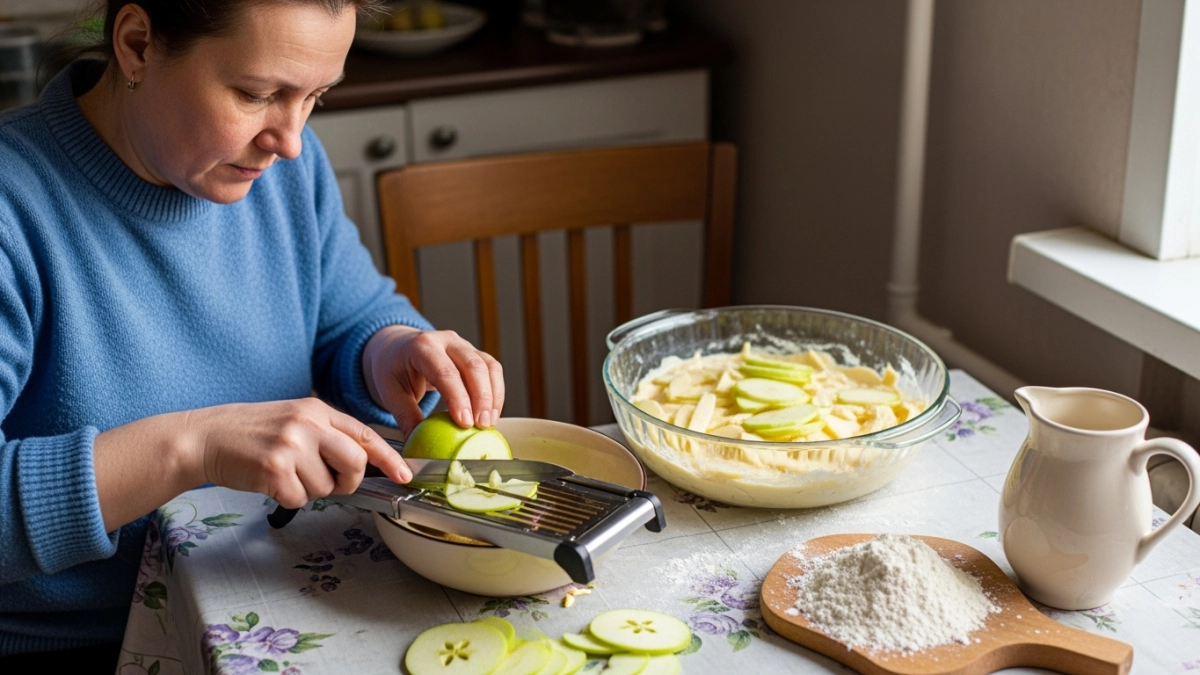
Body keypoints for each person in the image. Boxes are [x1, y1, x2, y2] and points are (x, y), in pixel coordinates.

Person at [0, 0, 504, 666]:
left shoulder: (286, 169)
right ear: (137, 45)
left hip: (282, 593)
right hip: (86, 644)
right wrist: (192, 448)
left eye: (314, 97)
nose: (290, 140)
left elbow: (350, 317)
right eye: (257, 95)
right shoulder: (13, 207)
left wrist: (390, 352)